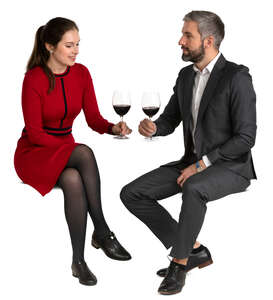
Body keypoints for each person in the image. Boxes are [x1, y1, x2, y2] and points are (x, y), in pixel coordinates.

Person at [120, 10, 257, 295]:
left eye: (187, 35)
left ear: (208, 41)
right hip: (191, 162)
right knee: (131, 193)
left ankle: (179, 264)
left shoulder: (236, 77)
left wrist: (203, 165)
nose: (180, 41)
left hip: (231, 167)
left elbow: (246, 138)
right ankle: (192, 249)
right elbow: (170, 120)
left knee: (193, 187)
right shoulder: (185, 76)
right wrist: (154, 128)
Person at [14, 17, 132, 286]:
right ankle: (102, 231)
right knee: (83, 152)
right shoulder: (33, 79)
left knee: (72, 178)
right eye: (69, 45)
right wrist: (70, 148)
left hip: (66, 153)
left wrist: (113, 128)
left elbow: (92, 118)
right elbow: (35, 133)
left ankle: (78, 262)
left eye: (78, 44)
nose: (76, 51)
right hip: (34, 153)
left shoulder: (81, 73)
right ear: (50, 46)